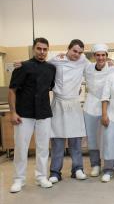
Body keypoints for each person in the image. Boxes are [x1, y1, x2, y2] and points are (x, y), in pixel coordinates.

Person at [8, 37, 55, 193]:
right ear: (34, 49)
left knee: (43, 148)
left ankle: (41, 177)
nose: (42, 52)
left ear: (48, 50)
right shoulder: (22, 67)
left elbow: (51, 88)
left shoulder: (51, 69)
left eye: (45, 49)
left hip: (44, 113)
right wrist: (13, 112)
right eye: (39, 48)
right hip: (24, 114)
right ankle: (18, 180)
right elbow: (12, 90)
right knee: (21, 148)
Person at [49, 39, 89, 183]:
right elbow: (39, 66)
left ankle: (77, 169)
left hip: (73, 104)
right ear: (68, 49)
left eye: (79, 52)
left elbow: (98, 66)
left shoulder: (83, 61)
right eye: (74, 51)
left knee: (75, 140)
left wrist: (110, 62)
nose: (77, 54)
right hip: (58, 104)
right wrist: (22, 64)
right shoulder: (56, 60)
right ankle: (55, 172)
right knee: (58, 141)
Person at [83, 44, 114, 177]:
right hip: (91, 106)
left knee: (109, 137)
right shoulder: (87, 67)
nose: (101, 58)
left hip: (108, 107)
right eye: (98, 55)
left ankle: (112, 163)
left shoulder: (113, 68)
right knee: (93, 138)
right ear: (94, 56)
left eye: (103, 55)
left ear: (107, 56)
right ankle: (95, 165)